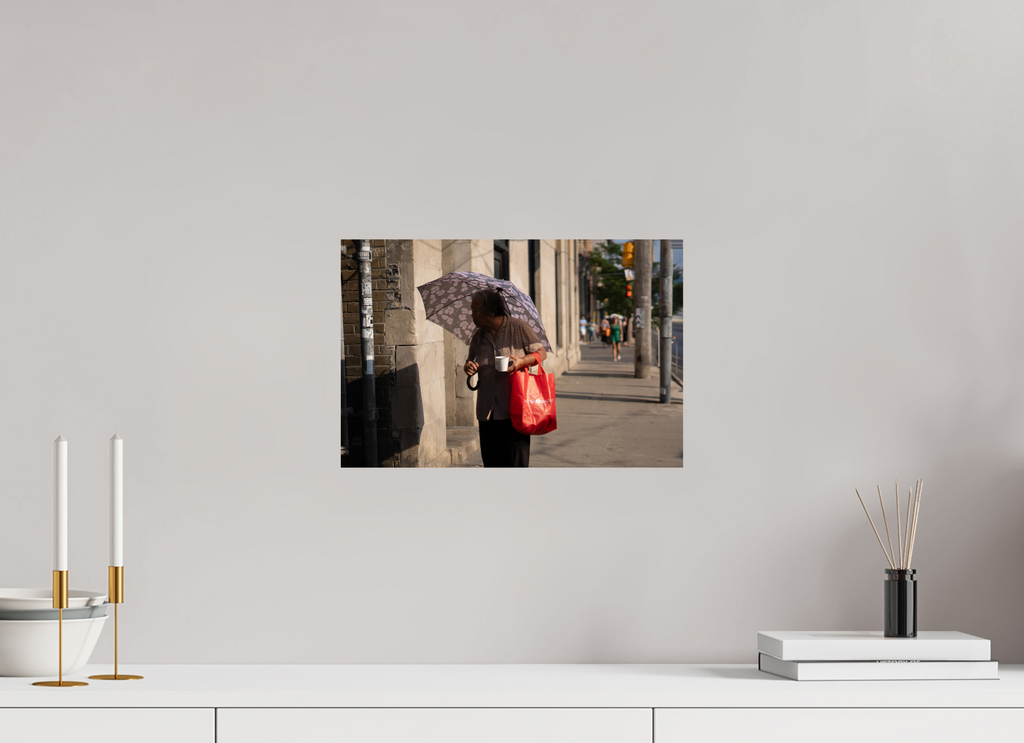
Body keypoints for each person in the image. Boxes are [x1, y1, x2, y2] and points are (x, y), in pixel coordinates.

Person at [463, 288, 548, 467]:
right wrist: (470, 366)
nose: (472, 315)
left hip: (515, 409)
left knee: (516, 464)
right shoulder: (479, 335)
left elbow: (541, 353)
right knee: (492, 463)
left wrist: (522, 361)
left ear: (491, 312)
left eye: (475, 310)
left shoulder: (519, 327)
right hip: (487, 411)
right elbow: (471, 360)